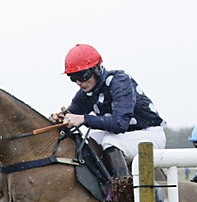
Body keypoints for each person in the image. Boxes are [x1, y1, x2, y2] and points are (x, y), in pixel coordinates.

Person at [50, 43, 166, 178]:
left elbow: (119, 123)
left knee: (110, 142)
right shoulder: (86, 92)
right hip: (122, 137)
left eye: (83, 75)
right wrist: (60, 118)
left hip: (148, 135)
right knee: (89, 139)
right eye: (73, 78)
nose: (79, 82)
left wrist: (83, 119)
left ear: (96, 70)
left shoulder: (120, 81)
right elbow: (70, 114)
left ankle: (121, 192)